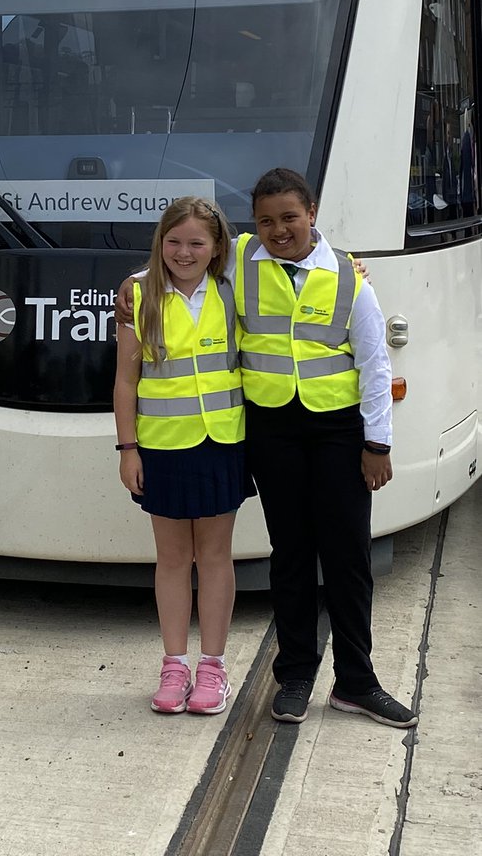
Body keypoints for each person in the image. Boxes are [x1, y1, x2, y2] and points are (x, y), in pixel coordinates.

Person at [115, 169, 417, 729]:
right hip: (273, 431)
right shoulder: (243, 259)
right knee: (292, 554)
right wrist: (134, 282)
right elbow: (179, 258)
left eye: (290, 218)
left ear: (313, 213)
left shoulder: (349, 277)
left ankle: (358, 681)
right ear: (252, 227)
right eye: (266, 220)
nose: (279, 230)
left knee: (348, 556)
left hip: (337, 431)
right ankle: (296, 676)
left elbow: (375, 364)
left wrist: (379, 441)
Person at [114, 197, 254, 715]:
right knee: (172, 560)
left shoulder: (233, 289)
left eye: (197, 242)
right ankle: (174, 666)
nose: (184, 252)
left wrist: (352, 264)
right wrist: (128, 449)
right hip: (162, 448)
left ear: (218, 246)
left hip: (221, 442)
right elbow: (126, 381)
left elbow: (289, 256)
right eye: (174, 242)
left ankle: (212, 668)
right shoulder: (139, 294)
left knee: (215, 558)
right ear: (160, 242)